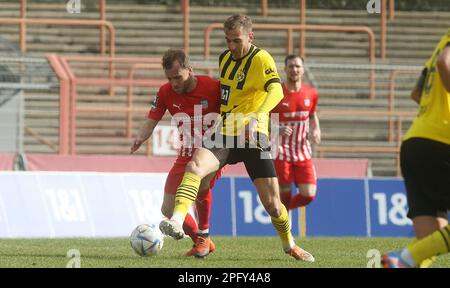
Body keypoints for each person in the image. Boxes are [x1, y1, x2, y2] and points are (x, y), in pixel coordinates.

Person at [159, 14, 315, 262]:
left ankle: (289, 244)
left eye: (236, 40)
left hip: (254, 135)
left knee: (274, 205)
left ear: (250, 37)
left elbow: (275, 89)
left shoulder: (261, 58)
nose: (231, 46)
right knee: (195, 166)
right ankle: (177, 221)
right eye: (227, 40)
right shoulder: (225, 58)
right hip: (226, 128)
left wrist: (257, 116)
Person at [130, 49, 222, 258]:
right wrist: (140, 138)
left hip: (212, 151)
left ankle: (203, 237)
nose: (174, 83)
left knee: (201, 185)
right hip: (185, 153)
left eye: (178, 77)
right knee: (167, 208)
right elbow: (151, 119)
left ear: (190, 70)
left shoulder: (213, 87)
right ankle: (201, 239)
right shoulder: (165, 92)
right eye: (169, 78)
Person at [381, 29, 450, 268]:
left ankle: (401, 261)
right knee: (422, 249)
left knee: (430, 242)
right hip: (443, 141)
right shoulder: (443, 51)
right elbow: (445, 62)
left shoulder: (439, 44)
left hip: (415, 142)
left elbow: (416, 93)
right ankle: (404, 258)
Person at [271, 55, 321, 211]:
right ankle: (283, 225)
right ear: (285, 69)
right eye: (291, 66)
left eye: (297, 66)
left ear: (303, 69)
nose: (294, 69)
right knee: (284, 192)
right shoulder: (276, 93)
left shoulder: (311, 93)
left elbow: (312, 115)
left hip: (302, 150)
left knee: (309, 194)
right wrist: (277, 129)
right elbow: (263, 118)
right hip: (281, 150)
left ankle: (281, 213)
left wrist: (316, 129)